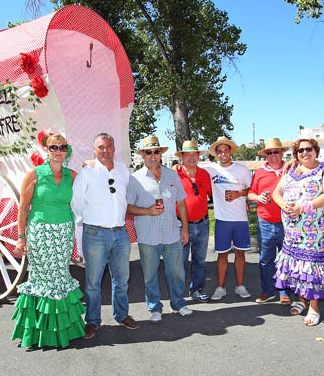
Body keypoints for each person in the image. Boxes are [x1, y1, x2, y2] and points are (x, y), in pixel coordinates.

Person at [11, 134, 86, 348]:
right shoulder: (34, 174)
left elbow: (87, 191)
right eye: (54, 147)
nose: (58, 150)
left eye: (63, 147)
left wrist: (90, 166)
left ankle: (64, 329)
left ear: (67, 150)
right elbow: (23, 208)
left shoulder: (72, 175)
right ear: (47, 149)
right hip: (40, 234)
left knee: (61, 276)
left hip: (63, 234)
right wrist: (21, 237)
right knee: (43, 279)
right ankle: (40, 332)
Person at [71, 133, 139, 339]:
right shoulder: (87, 172)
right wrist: (91, 219)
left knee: (122, 279)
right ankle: (92, 320)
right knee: (93, 281)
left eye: (109, 146)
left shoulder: (123, 171)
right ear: (95, 150)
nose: (105, 150)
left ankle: (122, 315)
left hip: (120, 233)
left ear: (114, 148)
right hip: (95, 233)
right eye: (101, 147)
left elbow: (128, 197)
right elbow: (76, 202)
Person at [127, 136, 193, 323]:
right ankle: (155, 307)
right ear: (143, 155)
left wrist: (185, 229)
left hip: (172, 232)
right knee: (150, 275)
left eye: (156, 151)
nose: (153, 155)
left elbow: (181, 204)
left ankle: (179, 304)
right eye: (149, 152)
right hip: (148, 236)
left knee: (177, 272)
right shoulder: (135, 179)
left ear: (161, 154)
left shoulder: (172, 175)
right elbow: (128, 207)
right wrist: (147, 211)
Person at [272, 137, 324, 326]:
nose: (304, 153)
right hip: (291, 229)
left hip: (312, 230)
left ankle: (314, 306)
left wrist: (304, 206)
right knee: (296, 265)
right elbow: (276, 193)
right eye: (300, 151)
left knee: (310, 265)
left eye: (308, 149)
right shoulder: (292, 169)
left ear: (316, 150)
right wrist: (283, 204)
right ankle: (302, 299)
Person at [204, 136, 252, 301]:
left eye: (226, 150)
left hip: (240, 219)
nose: (223, 154)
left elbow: (252, 189)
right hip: (222, 219)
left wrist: (240, 193)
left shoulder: (242, 169)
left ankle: (240, 286)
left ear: (230, 151)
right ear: (216, 154)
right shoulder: (211, 169)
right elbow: (192, 171)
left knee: (240, 254)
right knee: (222, 255)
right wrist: (177, 166)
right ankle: (221, 287)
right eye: (220, 151)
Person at [247, 138, 292, 305]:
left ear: (282, 153)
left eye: (276, 152)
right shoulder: (260, 172)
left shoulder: (291, 169)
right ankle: (267, 291)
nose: (273, 155)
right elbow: (250, 193)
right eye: (269, 152)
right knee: (266, 259)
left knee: (285, 258)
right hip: (265, 221)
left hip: (286, 221)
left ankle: (283, 290)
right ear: (265, 155)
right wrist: (258, 197)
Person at [175, 140, 213, 303]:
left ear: (198, 156)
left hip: (203, 224)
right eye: (187, 154)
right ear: (182, 157)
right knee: (179, 263)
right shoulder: (174, 174)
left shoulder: (204, 174)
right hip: (181, 225)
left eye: (194, 154)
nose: (191, 157)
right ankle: (177, 297)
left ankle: (196, 290)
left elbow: (213, 195)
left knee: (200, 261)